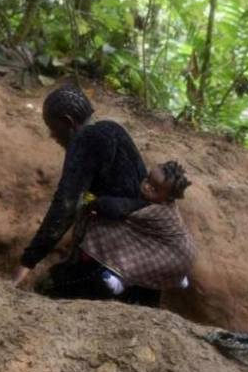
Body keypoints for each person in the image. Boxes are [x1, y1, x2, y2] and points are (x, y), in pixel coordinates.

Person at [12, 84, 162, 305]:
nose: (52, 135)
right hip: (148, 261)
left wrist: (27, 262)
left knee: (47, 287)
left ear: (67, 122)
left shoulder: (85, 140)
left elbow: (64, 206)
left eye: (52, 127)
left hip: (117, 265)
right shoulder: (113, 130)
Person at [80, 160, 196, 295]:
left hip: (172, 259)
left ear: (167, 198)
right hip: (186, 251)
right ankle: (178, 277)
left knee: (142, 262)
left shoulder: (153, 209)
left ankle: (121, 281)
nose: (147, 187)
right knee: (153, 254)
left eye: (155, 189)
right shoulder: (168, 204)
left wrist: (94, 203)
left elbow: (116, 209)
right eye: (147, 180)